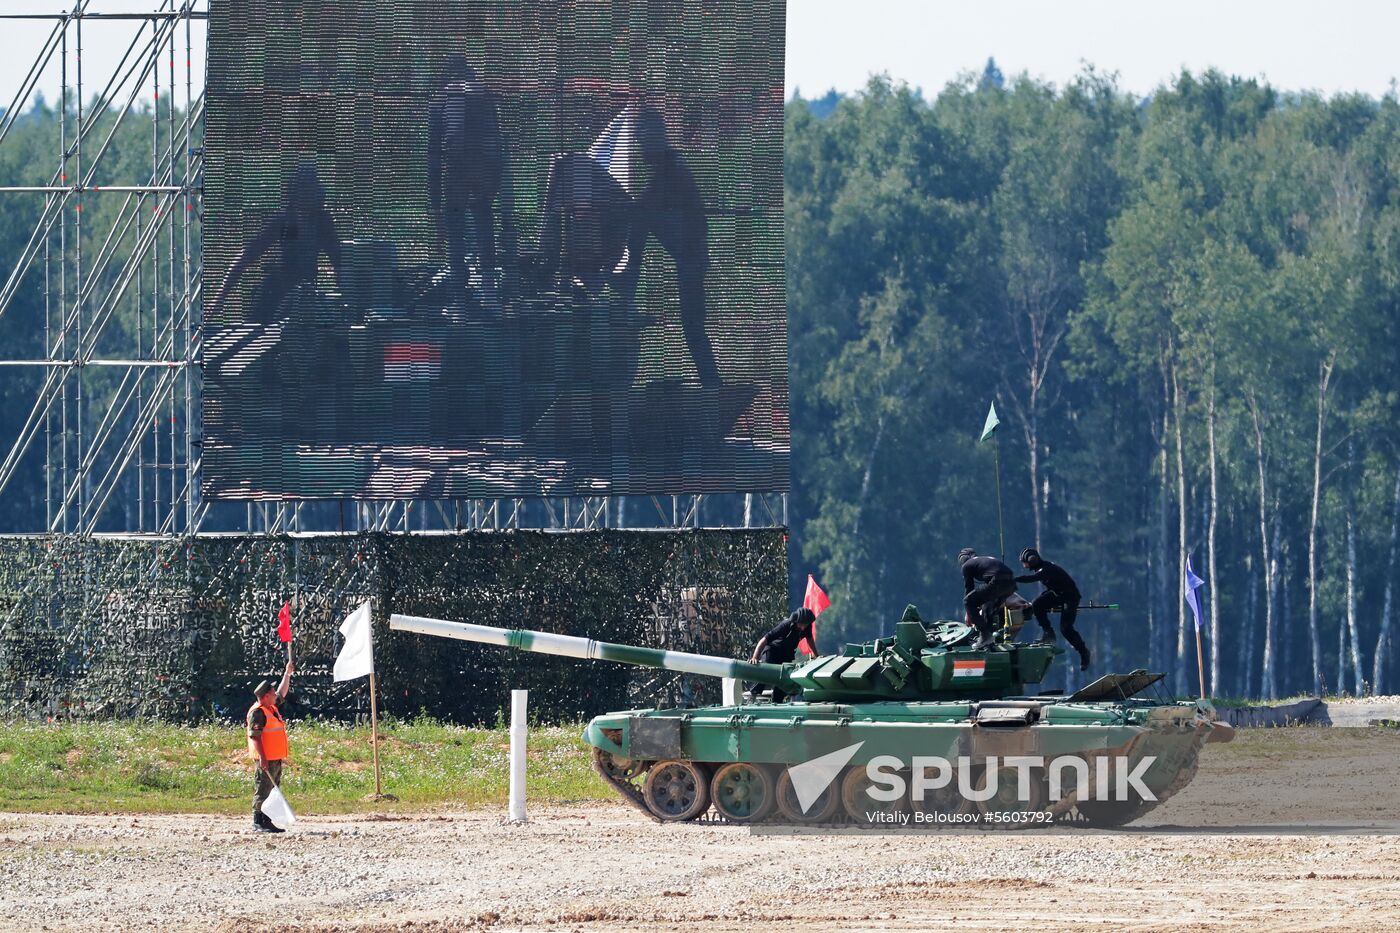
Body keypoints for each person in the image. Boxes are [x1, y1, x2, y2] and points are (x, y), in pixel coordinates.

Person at [618, 106, 720, 388]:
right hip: (690, 255)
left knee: (693, 328)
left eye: (642, 143)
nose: (640, 151)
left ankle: (713, 387)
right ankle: (713, 385)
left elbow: (648, 203)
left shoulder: (673, 168)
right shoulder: (669, 167)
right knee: (694, 327)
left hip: (691, 257)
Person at [209, 161, 343, 325]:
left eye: (313, 187)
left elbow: (339, 262)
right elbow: (247, 255)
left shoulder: (322, 223)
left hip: (306, 299)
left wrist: (345, 298)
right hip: (274, 295)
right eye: (306, 188)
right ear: (296, 193)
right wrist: (220, 298)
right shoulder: (285, 222)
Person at [428, 56, 507, 303]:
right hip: (481, 167)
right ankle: (488, 289)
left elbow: (432, 153)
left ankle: (460, 295)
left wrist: (435, 204)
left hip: (458, 167)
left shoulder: (440, 100)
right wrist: (494, 180)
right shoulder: (482, 97)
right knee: (482, 222)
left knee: (456, 230)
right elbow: (497, 140)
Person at [1016, 546, 1091, 671]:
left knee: (1066, 628)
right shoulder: (1041, 568)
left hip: (1069, 598)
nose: (1024, 565)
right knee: (1037, 604)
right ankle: (1048, 633)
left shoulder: (1046, 569)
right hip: (1057, 594)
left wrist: (1012, 579)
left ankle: (1084, 653)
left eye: (1025, 562)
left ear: (1031, 560)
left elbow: (1031, 579)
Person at [247, 660, 294, 834]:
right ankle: (258, 822)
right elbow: (255, 737)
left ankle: (267, 820)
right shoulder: (258, 712)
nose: (276, 694)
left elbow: (282, 691)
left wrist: (287, 674)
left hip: (275, 757)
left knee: (273, 789)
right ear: (266, 696)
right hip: (266, 758)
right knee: (262, 789)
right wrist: (263, 758)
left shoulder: (271, 707)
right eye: (272, 693)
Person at [746, 607, 817, 701]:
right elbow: (765, 640)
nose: (803, 627)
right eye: (802, 624)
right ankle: (753, 695)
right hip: (772, 652)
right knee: (765, 671)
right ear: (797, 620)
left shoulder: (807, 627)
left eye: (806, 624)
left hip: (786, 655)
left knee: (784, 679)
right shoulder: (786, 625)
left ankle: (777, 701)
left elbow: (810, 640)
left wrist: (815, 655)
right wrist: (755, 657)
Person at [959, 547, 1016, 651]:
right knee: (987, 605)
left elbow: (969, 589)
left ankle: (985, 636)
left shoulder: (966, 566)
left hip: (997, 580)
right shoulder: (982, 560)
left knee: (967, 601)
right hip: (1011, 583)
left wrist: (969, 613)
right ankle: (988, 638)